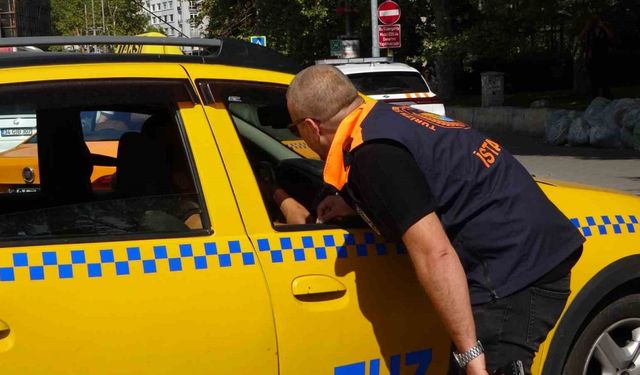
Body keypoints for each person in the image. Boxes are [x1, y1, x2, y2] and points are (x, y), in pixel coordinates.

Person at [285, 65, 585, 374]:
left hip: (514, 272)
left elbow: (435, 253)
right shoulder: (387, 118)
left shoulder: (373, 154)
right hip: (533, 246)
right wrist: (353, 203)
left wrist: (471, 357)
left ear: (310, 127)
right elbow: (426, 179)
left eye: (295, 131)